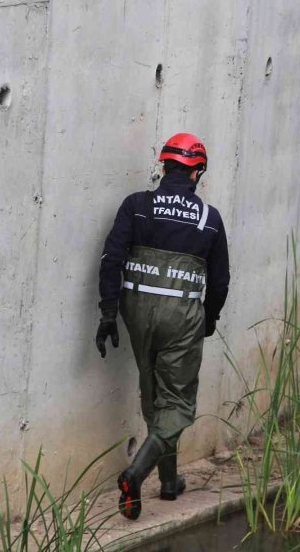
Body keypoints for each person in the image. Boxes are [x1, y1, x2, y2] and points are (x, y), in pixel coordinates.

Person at [95, 133, 230, 520]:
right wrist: (210, 317)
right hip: (181, 317)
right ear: (197, 174)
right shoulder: (209, 219)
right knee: (178, 403)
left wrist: (108, 312)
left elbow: (111, 259)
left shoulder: (137, 206)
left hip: (135, 312)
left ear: (163, 166)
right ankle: (135, 475)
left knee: (153, 391)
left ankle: (169, 483)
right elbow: (219, 282)